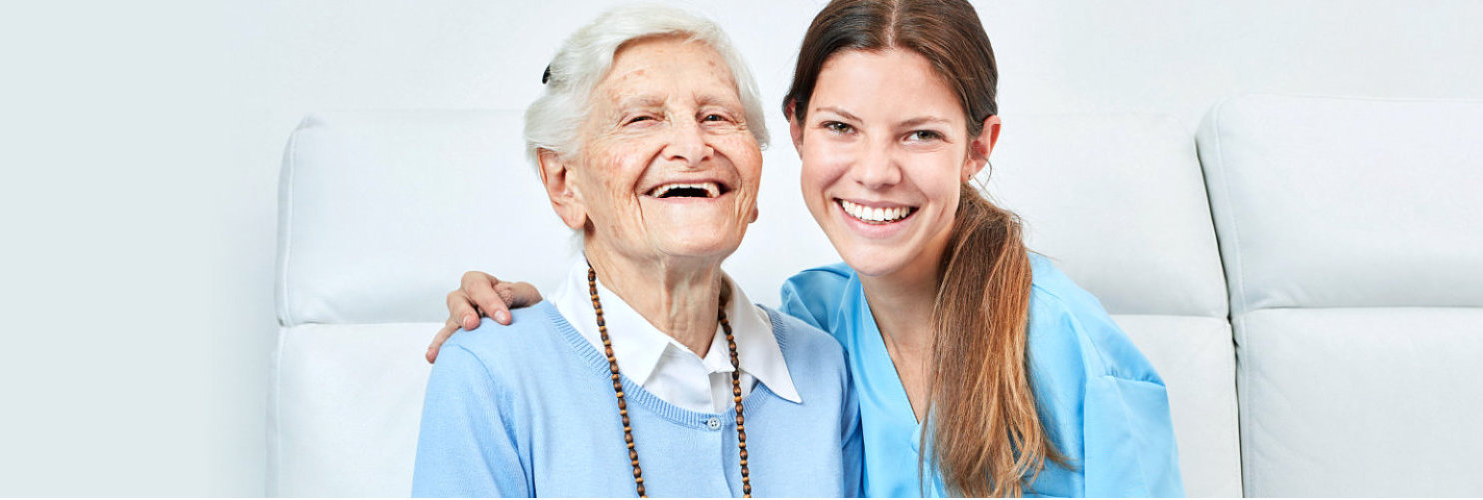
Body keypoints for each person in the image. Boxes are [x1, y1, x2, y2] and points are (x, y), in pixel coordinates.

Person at [430, 0, 1183, 496]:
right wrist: (531, 334)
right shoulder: (817, 322)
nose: (876, 171)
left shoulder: (1066, 349)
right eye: (841, 127)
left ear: (978, 147)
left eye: (920, 133)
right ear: (797, 134)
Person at [410, 4, 860, 497]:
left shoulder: (826, 368)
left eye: (717, 116)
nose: (692, 148)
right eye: (642, 119)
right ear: (565, 183)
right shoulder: (489, 374)